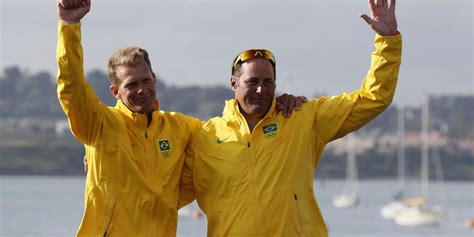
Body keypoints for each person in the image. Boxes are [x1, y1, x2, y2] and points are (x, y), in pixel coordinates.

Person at [56, 0, 303, 236]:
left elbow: (231, 135)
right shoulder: (100, 125)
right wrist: (69, 26)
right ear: (116, 92)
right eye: (131, 85)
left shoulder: (181, 128)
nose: (141, 89)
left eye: (146, 80)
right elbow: (72, 86)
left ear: (154, 78)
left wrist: (272, 105)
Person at [179, 0, 402, 236]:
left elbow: (372, 99)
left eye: (268, 82)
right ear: (234, 83)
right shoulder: (206, 137)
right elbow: (162, 195)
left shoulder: (301, 117)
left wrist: (387, 43)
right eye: (251, 82)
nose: (260, 89)